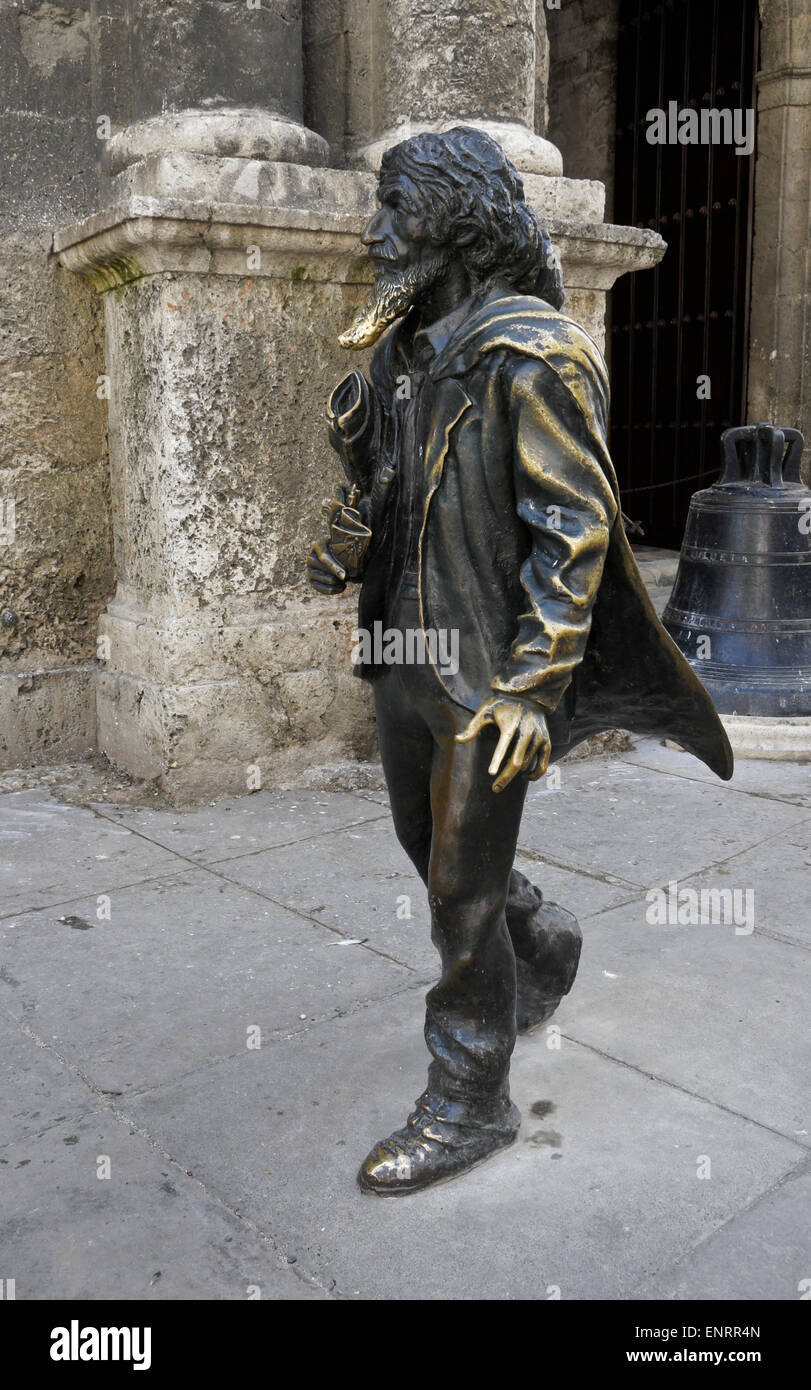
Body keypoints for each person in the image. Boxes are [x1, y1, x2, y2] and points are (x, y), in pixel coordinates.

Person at [307, 127, 732, 1196]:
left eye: (395, 207)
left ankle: (466, 1097)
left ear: (452, 218)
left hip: (490, 675)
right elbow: (390, 497)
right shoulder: (402, 352)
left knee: (458, 883)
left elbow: (574, 528)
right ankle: (538, 943)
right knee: (429, 846)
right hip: (405, 647)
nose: (375, 229)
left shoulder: (530, 353)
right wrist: (356, 490)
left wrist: (536, 684)